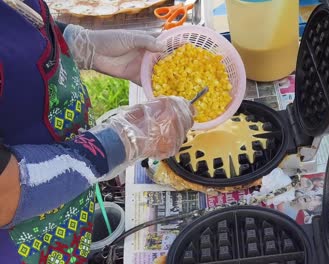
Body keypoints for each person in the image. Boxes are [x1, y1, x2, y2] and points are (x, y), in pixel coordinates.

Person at [0, 0, 194, 263]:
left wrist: (76, 43)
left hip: (68, 192)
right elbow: (5, 192)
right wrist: (117, 143)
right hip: (20, 238)